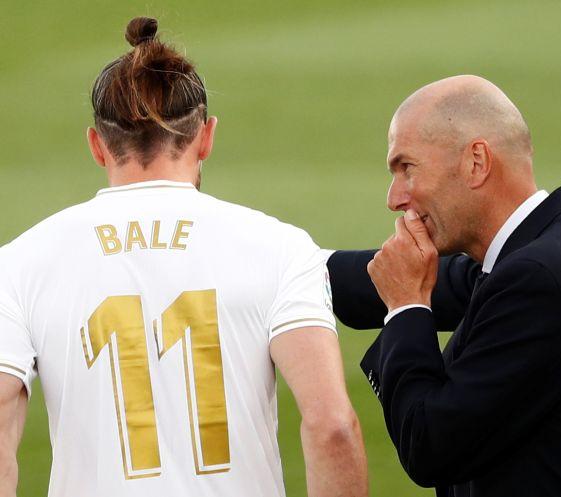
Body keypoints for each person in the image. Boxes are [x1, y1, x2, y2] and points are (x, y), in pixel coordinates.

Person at [0, 17, 367, 497]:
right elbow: (333, 426)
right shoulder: (280, 247)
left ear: (98, 146)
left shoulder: (21, 262)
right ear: (206, 137)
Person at [326, 75, 561, 497]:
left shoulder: (540, 279)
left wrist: (406, 308)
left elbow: (429, 444)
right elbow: (420, 279)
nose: (394, 197)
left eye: (406, 168)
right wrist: (291, 266)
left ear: (476, 162)